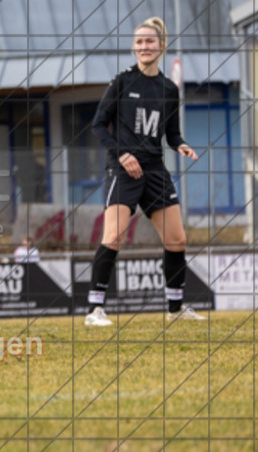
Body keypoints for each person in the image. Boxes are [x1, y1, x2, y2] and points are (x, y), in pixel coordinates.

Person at [85, 17, 204, 327]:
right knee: (113, 236)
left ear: (161, 45)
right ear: (133, 47)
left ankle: (175, 311)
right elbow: (97, 125)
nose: (144, 47)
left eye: (149, 41)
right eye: (138, 42)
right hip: (123, 170)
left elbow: (172, 134)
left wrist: (182, 145)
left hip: (155, 171)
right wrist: (122, 154)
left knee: (177, 240)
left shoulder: (168, 88)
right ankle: (95, 310)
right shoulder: (122, 82)